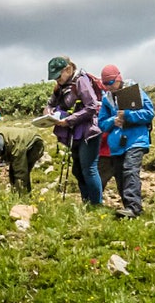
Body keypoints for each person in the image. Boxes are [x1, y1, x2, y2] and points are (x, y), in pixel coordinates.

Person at [45, 57, 104, 205]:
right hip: (75, 133)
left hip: (89, 131)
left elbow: (92, 107)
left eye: (58, 76)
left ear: (68, 69)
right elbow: (50, 104)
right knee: (77, 170)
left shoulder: (80, 81)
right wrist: (48, 113)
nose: (57, 80)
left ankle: (96, 204)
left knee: (89, 169)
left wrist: (69, 120)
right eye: (54, 78)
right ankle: (86, 202)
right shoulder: (60, 87)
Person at [98, 64, 155, 218]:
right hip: (117, 144)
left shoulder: (134, 91)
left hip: (136, 140)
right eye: (105, 84)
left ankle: (133, 208)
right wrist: (113, 120)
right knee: (120, 175)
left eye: (111, 83)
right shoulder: (106, 99)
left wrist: (128, 115)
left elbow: (149, 113)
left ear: (119, 78)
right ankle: (129, 209)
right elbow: (101, 123)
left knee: (130, 170)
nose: (109, 87)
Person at [0, 128, 44, 194]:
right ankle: (16, 193)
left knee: (21, 174)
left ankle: (23, 197)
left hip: (34, 144)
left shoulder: (16, 150)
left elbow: (20, 173)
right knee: (13, 173)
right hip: (18, 141)